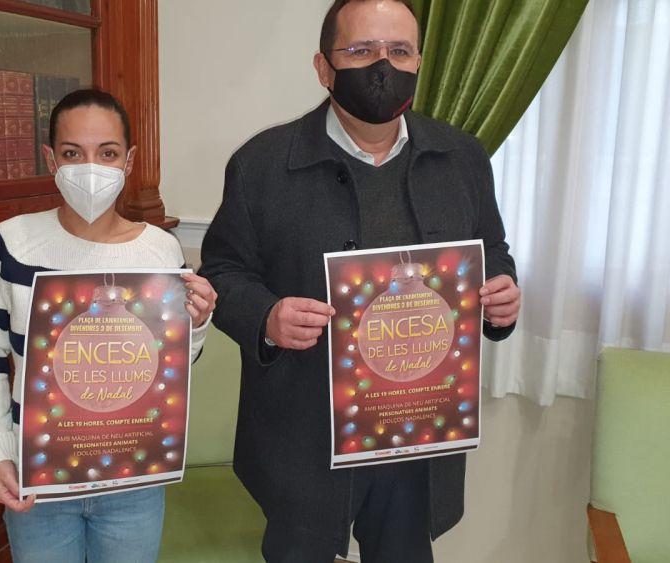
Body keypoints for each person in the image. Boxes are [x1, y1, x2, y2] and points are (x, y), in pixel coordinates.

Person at [199, 1, 521, 561]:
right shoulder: (261, 164)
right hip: (304, 429)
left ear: (419, 62)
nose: (382, 66)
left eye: (399, 51)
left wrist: (501, 293)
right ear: (324, 67)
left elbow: (491, 249)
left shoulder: (462, 157)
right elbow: (223, 273)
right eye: (361, 50)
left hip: (416, 430)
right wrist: (267, 317)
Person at [0, 88, 216, 563]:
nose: (91, 167)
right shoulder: (11, 244)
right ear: (51, 159)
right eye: (73, 153)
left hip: (133, 476)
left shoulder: (161, 251)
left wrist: (197, 324)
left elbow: (173, 367)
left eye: (108, 153)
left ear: (129, 161)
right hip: (37, 474)